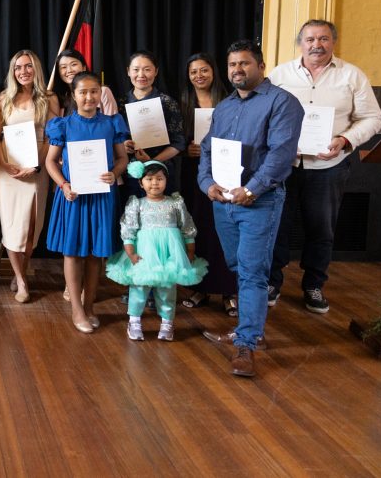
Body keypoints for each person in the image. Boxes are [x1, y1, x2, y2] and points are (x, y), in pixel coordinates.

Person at [199, 40, 303, 377]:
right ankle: (249, 327)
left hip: (259, 202)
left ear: (260, 65)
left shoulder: (282, 102)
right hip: (224, 202)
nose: (237, 70)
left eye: (244, 63)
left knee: (252, 271)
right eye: (232, 65)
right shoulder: (226, 106)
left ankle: (246, 344)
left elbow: (280, 155)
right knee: (236, 265)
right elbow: (207, 149)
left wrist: (252, 189)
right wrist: (206, 184)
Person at [268, 20, 381, 313]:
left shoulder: (351, 76)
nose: (316, 45)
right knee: (277, 226)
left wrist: (345, 140)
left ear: (333, 42)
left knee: (321, 228)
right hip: (285, 165)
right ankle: (272, 282)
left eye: (323, 39)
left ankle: (313, 285)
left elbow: (372, 118)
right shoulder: (280, 74)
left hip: (329, 166)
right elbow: (264, 112)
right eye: (309, 39)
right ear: (300, 43)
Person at [45, 72, 129, 332]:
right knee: (73, 252)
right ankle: (76, 310)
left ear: (99, 94)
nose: (89, 97)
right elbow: (50, 162)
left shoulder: (112, 123)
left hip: (102, 195)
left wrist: (114, 174)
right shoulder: (63, 125)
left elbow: (122, 159)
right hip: (74, 196)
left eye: (94, 91)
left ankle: (90, 305)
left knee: (95, 254)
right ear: (74, 95)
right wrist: (63, 184)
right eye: (83, 92)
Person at [106, 160, 207, 341]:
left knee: (168, 288)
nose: (155, 183)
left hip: (170, 252)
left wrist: (190, 251)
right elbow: (128, 229)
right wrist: (130, 252)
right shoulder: (137, 204)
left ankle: (167, 323)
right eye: (150, 179)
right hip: (144, 252)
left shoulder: (175, 203)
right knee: (139, 286)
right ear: (140, 182)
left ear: (166, 181)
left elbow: (187, 227)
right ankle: (134, 321)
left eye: (159, 178)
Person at [0, 50, 59, 303]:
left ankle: (23, 267)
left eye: (28, 66)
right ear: (13, 72)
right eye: (18, 67)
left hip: (36, 169)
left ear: (36, 69)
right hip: (8, 170)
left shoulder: (49, 99)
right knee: (11, 225)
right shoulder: (4, 98)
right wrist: (3, 162)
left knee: (31, 227)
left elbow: (53, 136)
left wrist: (37, 164)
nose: (23, 71)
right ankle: (20, 279)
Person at [178, 53, 237, 316]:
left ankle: (228, 290)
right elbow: (174, 139)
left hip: (226, 173)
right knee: (197, 229)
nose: (199, 75)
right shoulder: (181, 102)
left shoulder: (231, 100)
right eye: (193, 72)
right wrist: (185, 151)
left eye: (204, 70)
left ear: (214, 72)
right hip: (193, 174)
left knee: (225, 230)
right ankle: (199, 287)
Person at [117, 51, 185, 195]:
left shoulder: (167, 103)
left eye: (147, 69)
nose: (141, 75)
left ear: (156, 72)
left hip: (160, 174)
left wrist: (152, 161)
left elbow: (178, 143)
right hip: (129, 173)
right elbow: (114, 140)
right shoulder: (120, 104)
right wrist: (123, 147)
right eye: (136, 69)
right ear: (128, 72)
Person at [52, 49, 117, 116]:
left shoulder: (103, 91)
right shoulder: (58, 98)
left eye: (74, 64)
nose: (69, 70)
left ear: (84, 67)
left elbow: (113, 122)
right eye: (63, 67)